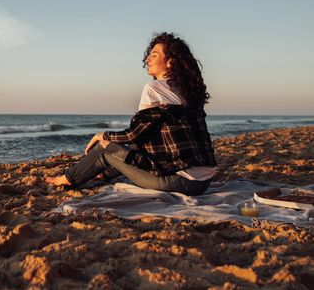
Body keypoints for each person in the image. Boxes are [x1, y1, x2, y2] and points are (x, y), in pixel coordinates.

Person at [46, 32, 217, 196]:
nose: (148, 59)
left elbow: (134, 135)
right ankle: (101, 176)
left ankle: (67, 179)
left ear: (170, 62)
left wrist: (102, 135)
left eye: (155, 55)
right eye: (149, 55)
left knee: (105, 147)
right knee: (132, 147)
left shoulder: (154, 88)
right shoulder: (187, 92)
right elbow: (142, 140)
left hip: (179, 181)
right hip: (203, 182)